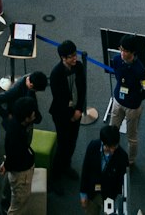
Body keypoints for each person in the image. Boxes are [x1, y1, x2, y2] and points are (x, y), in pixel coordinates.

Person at [107, 35, 145, 167]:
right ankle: (111, 154)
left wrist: (135, 99)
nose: (122, 53)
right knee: (112, 131)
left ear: (132, 52)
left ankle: (130, 161)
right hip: (118, 101)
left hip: (132, 107)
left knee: (132, 137)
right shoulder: (116, 60)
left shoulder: (140, 70)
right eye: (121, 49)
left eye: (125, 51)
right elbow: (118, 77)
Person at [48, 39, 87, 185]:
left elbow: (83, 89)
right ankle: (56, 175)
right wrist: (72, 115)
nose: (74, 58)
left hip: (75, 112)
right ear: (63, 58)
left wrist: (78, 110)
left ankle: (67, 166)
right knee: (63, 144)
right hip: (61, 115)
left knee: (72, 142)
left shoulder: (79, 67)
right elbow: (59, 99)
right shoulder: (56, 74)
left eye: (75, 55)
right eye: (70, 56)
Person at [0, 96, 36, 215]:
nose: (34, 114)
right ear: (26, 118)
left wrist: (6, 164)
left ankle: (5, 206)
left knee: (8, 192)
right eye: (32, 113)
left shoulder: (13, 124)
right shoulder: (18, 135)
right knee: (19, 207)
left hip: (14, 168)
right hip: (21, 175)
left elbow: (11, 152)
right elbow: (16, 155)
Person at [79, 124, 128, 215]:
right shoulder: (93, 146)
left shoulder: (122, 157)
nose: (113, 150)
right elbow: (85, 170)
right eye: (110, 147)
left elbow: (121, 183)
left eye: (115, 146)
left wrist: (116, 201)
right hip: (92, 193)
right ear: (103, 143)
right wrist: (83, 194)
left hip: (109, 197)